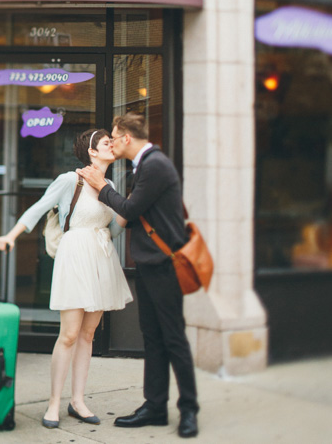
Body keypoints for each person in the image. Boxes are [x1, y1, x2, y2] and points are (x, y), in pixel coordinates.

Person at [0, 128, 131, 428]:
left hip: (101, 257)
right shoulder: (72, 180)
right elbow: (38, 207)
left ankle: (78, 401)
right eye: (106, 143)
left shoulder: (109, 184)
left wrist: (128, 206)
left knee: (88, 334)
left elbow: (114, 231)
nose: (112, 146)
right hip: (75, 256)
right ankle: (54, 403)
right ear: (92, 151)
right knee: (69, 334)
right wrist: (11, 235)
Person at [77, 113, 199, 439]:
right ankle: (155, 407)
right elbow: (134, 214)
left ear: (126, 139)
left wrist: (102, 188)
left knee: (173, 338)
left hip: (165, 265)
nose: (112, 142)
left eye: (114, 138)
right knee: (153, 338)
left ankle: (189, 411)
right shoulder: (143, 166)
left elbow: (130, 211)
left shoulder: (155, 165)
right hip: (149, 263)